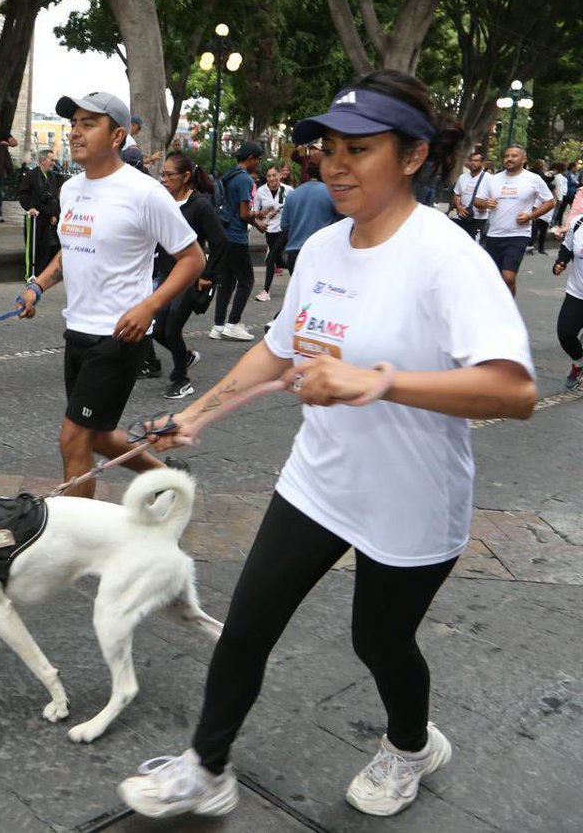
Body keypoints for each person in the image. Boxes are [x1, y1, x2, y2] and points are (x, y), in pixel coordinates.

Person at [116, 69, 537, 822]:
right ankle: (207, 766)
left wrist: (378, 381)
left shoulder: (448, 257)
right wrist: (200, 415)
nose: (335, 165)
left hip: (411, 497)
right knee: (245, 626)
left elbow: (513, 393)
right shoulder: (321, 249)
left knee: (379, 641)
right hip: (318, 481)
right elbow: (278, 353)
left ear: (412, 156)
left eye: (360, 149)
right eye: (328, 149)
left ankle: (412, 745)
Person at [16, 91, 206, 497]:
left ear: (117, 135)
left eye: (89, 124)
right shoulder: (70, 190)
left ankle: (77, 542)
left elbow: (192, 258)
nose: (75, 133)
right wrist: (38, 285)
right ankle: (168, 482)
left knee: (74, 439)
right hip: (78, 329)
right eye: (73, 124)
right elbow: (72, 250)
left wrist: (149, 307)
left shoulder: (144, 192)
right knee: (99, 435)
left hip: (119, 336)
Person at [151, 152, 227, 399]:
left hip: (190, 277)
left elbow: (220, 242)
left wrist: (208, 275)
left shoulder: (200, 205)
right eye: (162, 174)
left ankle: (181, 379)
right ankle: (184, 356)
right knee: (156, 329)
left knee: (172, 329)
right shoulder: (164, 201)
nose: (164, 179)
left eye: (169, 175)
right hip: (165, 275)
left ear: (185, 177)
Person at [474, 146, 554, 295]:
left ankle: (508, 311)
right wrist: (485, 204)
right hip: (494, 235)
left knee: (508, 278)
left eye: (514, 156)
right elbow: (477, 200)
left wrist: (531, 215)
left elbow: (550, 201)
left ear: (523, 160)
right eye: (506, 156)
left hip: (518, 234)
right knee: (494, 278)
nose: (509, 159)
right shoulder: (493, 179)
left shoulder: (533, 179)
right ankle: (497, 307)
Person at [209, 141, 263, 341]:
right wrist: (258, 224)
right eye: (257, 160)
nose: (258, 164)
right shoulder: (245, 180)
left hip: (223, 235)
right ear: (250, 159)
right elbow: (243, 213)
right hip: (237, 236)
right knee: (247, 280)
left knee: (227, 282)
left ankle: (218, 325)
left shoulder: (228, 175)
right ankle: (233, 323)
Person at [17, 149, 62, 276]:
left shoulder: (53, 177)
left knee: (47, 247)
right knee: (33, 247)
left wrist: (55, 214)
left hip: (49, 217)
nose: (53, 163)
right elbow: (23, 194)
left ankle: (42, 274)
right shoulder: (31, 175)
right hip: (36, 217)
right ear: (43, 160)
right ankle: (31, 274)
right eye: (51, 160)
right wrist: (30, 207)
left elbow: (55, 198)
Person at [251, 165, 292, 302]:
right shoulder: (261, 191)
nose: (272, 178)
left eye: (274, 175)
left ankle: (266, 291)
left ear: (280, 175)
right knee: (279, 261)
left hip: (284, 229)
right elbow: (255, 213)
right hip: (269, 229)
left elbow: (295, 208)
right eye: (269, 176)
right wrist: (260, 221)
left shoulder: (289, 190)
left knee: (270, 259)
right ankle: (299, 275)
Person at [552, 212, 583, 391]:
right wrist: (560, 262)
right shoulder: (578, 223)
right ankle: (578, 363)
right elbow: (566, 247)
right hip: (577, 291)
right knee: (565, 333)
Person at [451, 150, 490, 242]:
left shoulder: (489, 179)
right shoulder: (463, 177)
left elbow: (495, 198)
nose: (473, 163)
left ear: (482, 163)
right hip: (463, 216)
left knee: (474, 244)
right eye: (471, 160)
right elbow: (457, 194)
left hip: (479, 218)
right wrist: (459, 206)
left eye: (476, 161)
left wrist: (485, 207)